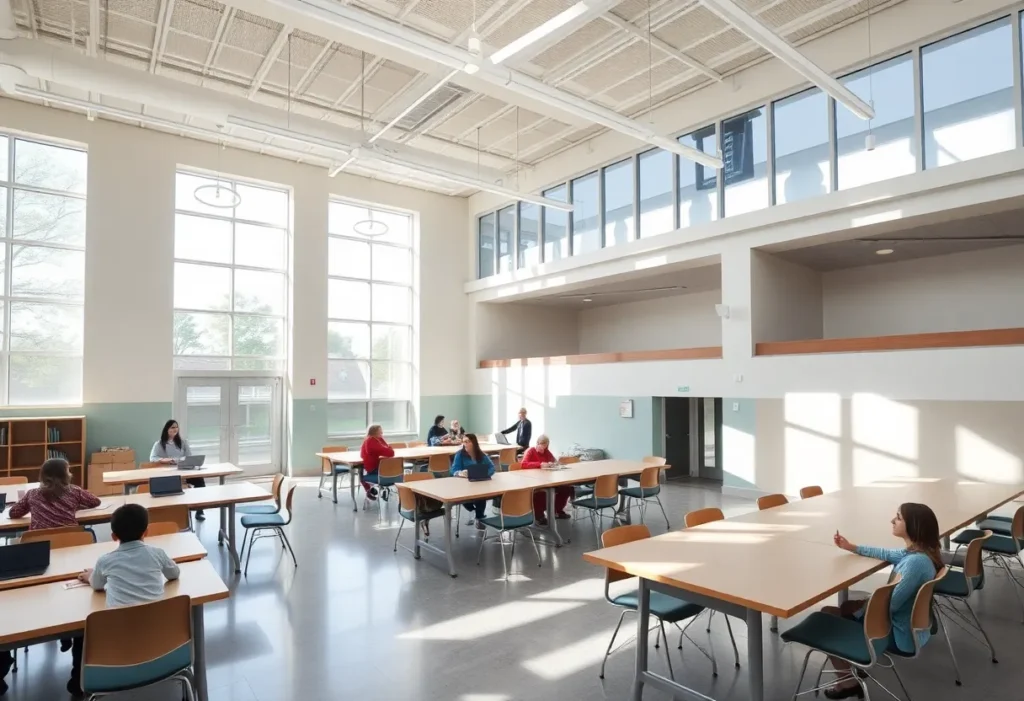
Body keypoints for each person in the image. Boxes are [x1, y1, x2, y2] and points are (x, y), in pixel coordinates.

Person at [1, 458, 102, 695]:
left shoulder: (34, 494)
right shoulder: (75, 492)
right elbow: (95, 501)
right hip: (71, 548)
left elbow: (15, 513)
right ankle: (70, 636)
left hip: (40, 551)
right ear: (66, 474)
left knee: (40, 590)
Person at [823, 503, 943, 699]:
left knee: (826, 617)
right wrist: (851, 547)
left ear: (913, 526)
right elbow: (886, 554)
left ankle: (848, 683)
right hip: (908, 626)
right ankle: (852, 668)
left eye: (898, 517)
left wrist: (859, 610)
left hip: (898, 635)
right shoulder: (918, 554)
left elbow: (887, 606)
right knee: (845, 606)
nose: (892, 520)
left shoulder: (915, 563)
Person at [67, 503, 181, 697]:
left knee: (82, 631)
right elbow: (174, 574)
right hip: (160, 639)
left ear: (113, 536)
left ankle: (78, 682)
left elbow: (97, 585)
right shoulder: (157, 553)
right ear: (147, 531)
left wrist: (90, 576)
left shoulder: (105, 560)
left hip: (117, 642)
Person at [8, 458, 100, 529]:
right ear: (64, 475)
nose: (70, 473)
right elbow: (95, 501)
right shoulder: (75, 491)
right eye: (68, 470)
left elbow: (13, 513)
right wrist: (76, 506)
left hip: (40, 542)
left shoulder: (32, 494)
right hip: (69, 540)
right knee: (89, 533)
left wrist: (30, 506)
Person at [151, 419, 205, 521]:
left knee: (199, 480)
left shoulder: (183, 442)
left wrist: (186, 462)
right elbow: (153, 458)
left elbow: (189, 456)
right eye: (172, 427)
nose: (175, 429)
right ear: (167, 429)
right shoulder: (159, 444)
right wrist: (167, 460)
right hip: (168, 473)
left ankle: (199, 510)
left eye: (176, 427)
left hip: (183, 470)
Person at [520, 435, 572, 525]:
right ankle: (539, 516)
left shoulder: (546, 452)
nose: (544, 447)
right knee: (541, 492)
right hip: (533, 479)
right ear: (537, 443)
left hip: (547, 478)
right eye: (542, 444)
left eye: (546, 445)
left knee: (567, 488)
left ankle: (557, 511)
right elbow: (524, 464)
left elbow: (554, 461)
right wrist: (539, 464)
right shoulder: (531, 451)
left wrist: (553, 464)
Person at [450, 433, 494, 531]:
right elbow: (453, 470)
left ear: (473, 443)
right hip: (465, 484)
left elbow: (492, 467)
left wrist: (485, 474)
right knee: (464, 496)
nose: (465, 444)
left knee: (482, 493)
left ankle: (479, 517)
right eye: (464, 442)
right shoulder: (460, 455)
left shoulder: (481, 454)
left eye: (467, 442)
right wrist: (460, 473)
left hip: (479, 481)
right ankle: (473, 511)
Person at [360, 424, 395, 501]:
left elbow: (362, 455)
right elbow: (391, 453)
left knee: (361, 476)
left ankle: (369, 490)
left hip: (375, 469)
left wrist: (381, 440)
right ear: (375, 433)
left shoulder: (369, 440)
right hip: (377, 470)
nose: (382, 433)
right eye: (380, 432)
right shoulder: (372, 441)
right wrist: (386, 444)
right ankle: (370, 490)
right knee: (361, 477)